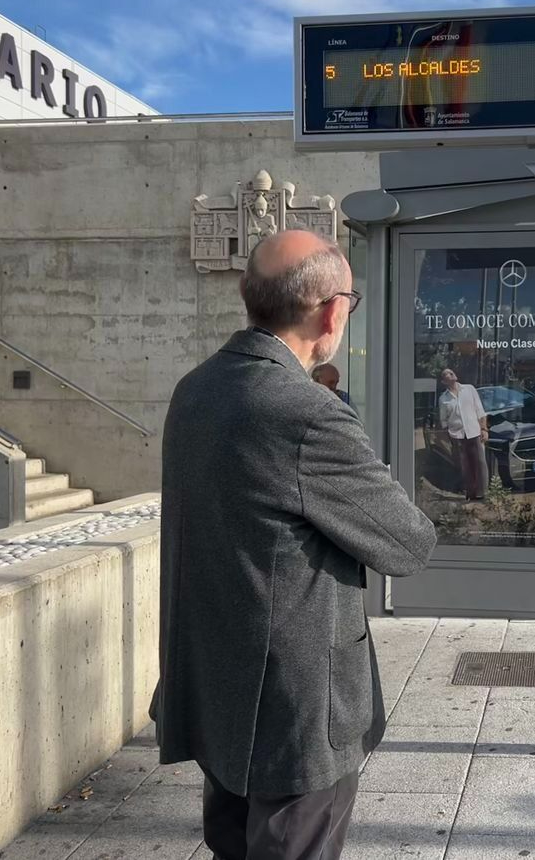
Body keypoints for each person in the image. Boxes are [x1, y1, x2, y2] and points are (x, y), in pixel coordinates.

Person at [151, 230, 437, 860]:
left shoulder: (194, 389)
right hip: (294, 712)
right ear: (332, 311)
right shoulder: (307, 412)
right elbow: (408, 543)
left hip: (220, 690)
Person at [438, 368, 489, 501]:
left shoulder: (469, 389)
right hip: (457, 435)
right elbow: (443, 419)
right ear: (444, 381)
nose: (451, 374)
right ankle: (470, 494)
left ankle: (482, 494)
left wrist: (484, 429)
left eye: (451, 372)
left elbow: (480, 410)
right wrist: (447, 435)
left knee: (480, 462)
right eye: (446, 374)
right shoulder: (444, 398)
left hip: (474, 431)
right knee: (464, 465)